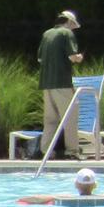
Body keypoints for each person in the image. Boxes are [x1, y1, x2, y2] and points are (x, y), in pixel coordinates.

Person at [38, 9, 85, 161]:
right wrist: (79, 57)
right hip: (62, 82)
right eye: (73, 25)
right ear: (69, 22)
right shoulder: (66, 33)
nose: (73, 29)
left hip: (46, 83)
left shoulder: (46, 34)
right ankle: (72, 151)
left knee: (50, 119)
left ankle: (46, 151)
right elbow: (72, 56)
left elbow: (40, 59)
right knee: (70, 116)